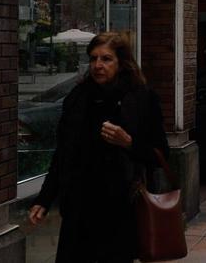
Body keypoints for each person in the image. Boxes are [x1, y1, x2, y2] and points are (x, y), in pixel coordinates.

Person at [28, 32, 170, 263]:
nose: (97, 65)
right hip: (78, 208)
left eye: (106, 59)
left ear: (121, 63)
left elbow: (161, 154)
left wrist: (129, 143)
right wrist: (44, 199)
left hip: (119, 209)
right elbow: (63, 154)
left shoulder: (141, 99)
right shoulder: (78, 98)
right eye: (93, 59)